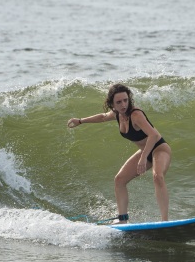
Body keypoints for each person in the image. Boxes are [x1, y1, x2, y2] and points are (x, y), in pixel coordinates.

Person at [67, 83, 171, 223]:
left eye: (125, 100)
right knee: (119, 180)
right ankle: (123, 219)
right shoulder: (117, 114)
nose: (123, 105)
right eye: (119, 102)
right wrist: (80, 121)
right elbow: (103, 117)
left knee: (157, 177)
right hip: (144, 151)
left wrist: (143, 157)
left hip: (159, 149)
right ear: (112, 104)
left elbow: (153, 136)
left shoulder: (136, 115)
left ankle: (165, 222)